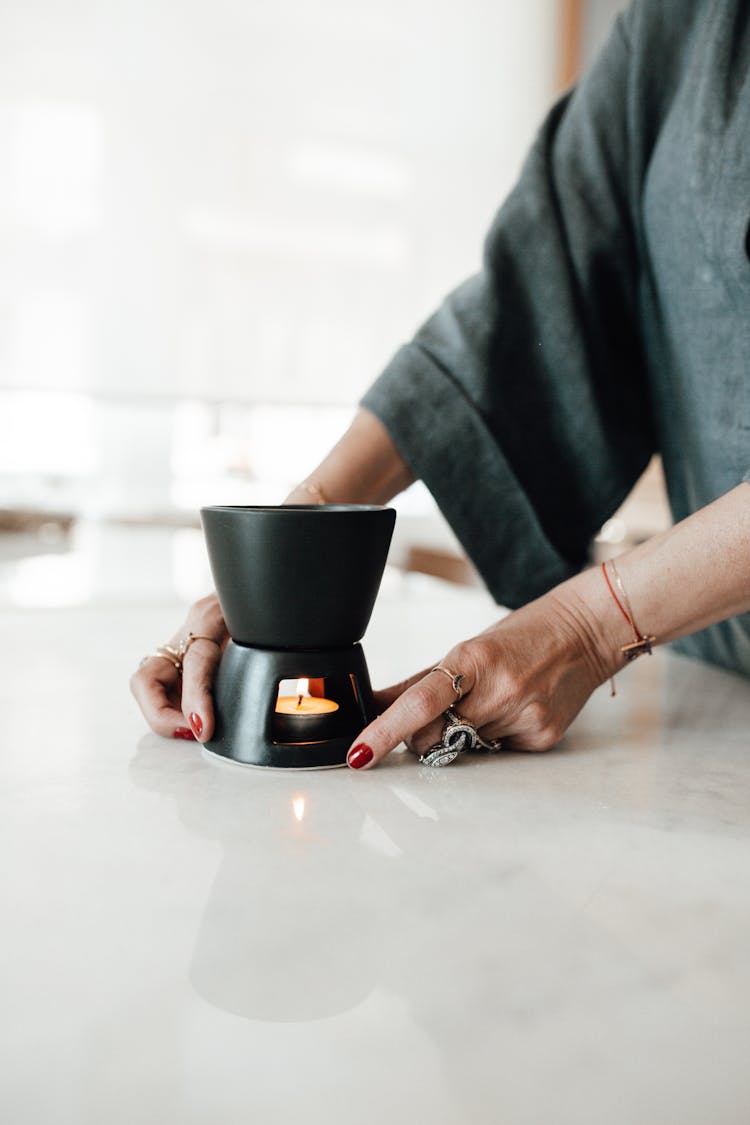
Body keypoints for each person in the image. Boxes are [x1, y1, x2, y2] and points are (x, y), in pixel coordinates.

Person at [131, 0, 750, 768]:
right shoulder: (680, 21)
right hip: (722, 691)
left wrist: (590, 626)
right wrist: (292, 542)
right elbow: (528, 298)